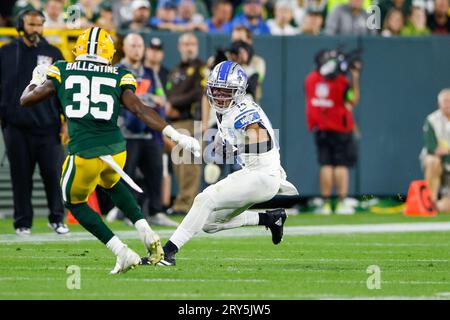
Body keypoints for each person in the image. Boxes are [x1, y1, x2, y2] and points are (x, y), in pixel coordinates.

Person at [19, 27, 200, 273]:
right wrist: (176, 135)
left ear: (79, 49)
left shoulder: (62, 69)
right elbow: (139, 109)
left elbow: (26, 100)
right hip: (116, 150)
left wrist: (35, 79)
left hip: (84, 152)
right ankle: (145, 230)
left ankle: (121, 251)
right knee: (112, 184)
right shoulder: (119, 74)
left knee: (73, 201)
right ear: (110, 52)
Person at [144, 61, 298, 266]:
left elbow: (263, 141)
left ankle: (167, 253)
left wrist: (234, 149)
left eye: (226, 92)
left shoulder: (243, 110)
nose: (219, 96)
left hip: (262, 175)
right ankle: (271, 218)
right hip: (254, 173)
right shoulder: (224, 110)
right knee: (209, 223)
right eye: (216, 90)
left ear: (239, 91)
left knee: (204, 200)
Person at [0, 9, 68, 236]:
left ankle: (57, 219)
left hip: (48, 126)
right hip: (16, 127)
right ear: (20, 25)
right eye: (31, 24)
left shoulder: (54, 52)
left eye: (39, 24)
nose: (36, 29)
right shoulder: (6, 52)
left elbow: (64, 90)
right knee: (20, 176)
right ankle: (22, 222)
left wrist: (66, 120)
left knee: (52, 173)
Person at [115, 33, 178, 227]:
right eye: (133, 45)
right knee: (128, 174)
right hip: (125, 132)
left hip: (149, 132)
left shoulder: (150, 72)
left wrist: (142, 98)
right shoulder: (117, 71)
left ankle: (155, 211)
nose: (137, 49)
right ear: (124, 47)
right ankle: (127, 212)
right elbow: (118, 99)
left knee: (155, 172)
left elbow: (161, 99)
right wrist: (147, 99)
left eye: (140, 46)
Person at [305, 48, 361, 215]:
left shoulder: (311, 79)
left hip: (320, 127)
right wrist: (355, 77)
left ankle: (326, 204)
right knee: (340, 165)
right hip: (340, 128)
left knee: (326, 164)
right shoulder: (341, 81)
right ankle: (342, 202)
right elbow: (353, 100)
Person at [165, 32, 205, 216]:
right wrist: (169, 104)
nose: (189, 47)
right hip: (176, 124)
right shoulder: (174, 71)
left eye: (192, 44)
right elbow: (169, 93)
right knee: (180, 165)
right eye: (186, 44)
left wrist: (174, 104)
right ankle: (182, 201)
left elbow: (200, 92)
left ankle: (187, 204)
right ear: (180, 47)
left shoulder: (201, 68)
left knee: (190, 163)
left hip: (191, 119)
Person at [421, 89, 450, 212]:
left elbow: (442, 149)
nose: (448, 104)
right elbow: (432, 148)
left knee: (447, 206)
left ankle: (436, 206)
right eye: (445, 101)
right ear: (439, 104)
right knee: (432, 160)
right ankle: (429, 201)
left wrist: (446, 149)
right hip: (438, 165)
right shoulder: (432, 119)